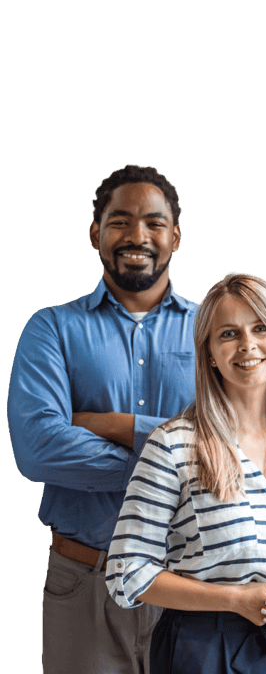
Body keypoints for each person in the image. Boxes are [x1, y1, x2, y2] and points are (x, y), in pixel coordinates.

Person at [106, 273, 266, 674]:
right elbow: (127, 571)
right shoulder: (174, 445)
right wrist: (235, 599)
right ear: (210, 354)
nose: (247, 344)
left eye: (261, 328)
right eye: (229, 334)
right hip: (205, 647)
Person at [8, 164, 196, 674]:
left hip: (193, 582)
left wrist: (113, 425)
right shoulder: (51, 329)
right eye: (120, 221)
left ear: (175, 237)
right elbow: (37, 448)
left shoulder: (215, 331)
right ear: (96, 234)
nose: (138, 236)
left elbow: (239, 444)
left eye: (154, 223)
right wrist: (178, 466)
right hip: (84, 580)